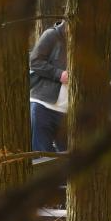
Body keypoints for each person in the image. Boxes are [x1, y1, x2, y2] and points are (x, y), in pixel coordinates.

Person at [29, 20, 68, 153]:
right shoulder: (52, 35)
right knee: (42, 158)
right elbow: (34, 61)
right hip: (43, 107)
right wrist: (59, 74)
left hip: (70, 113)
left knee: (72, 161)